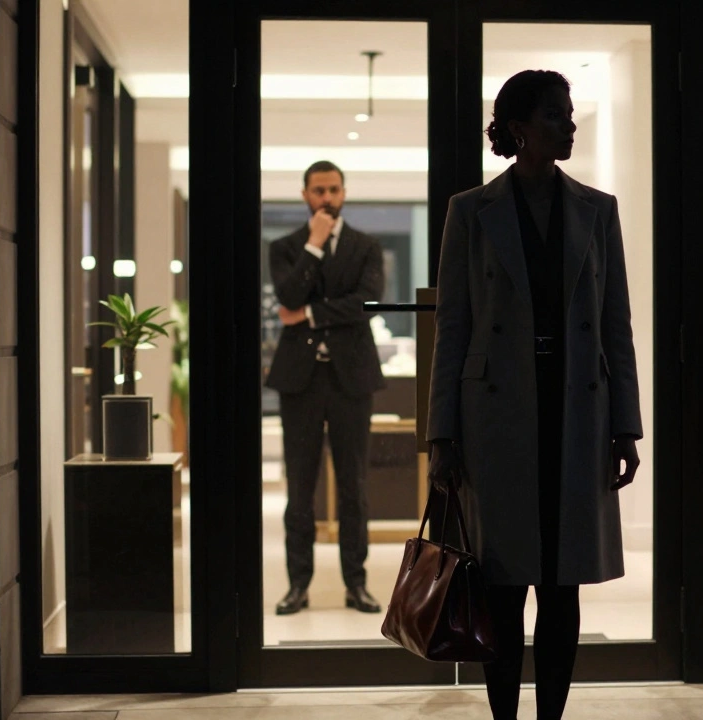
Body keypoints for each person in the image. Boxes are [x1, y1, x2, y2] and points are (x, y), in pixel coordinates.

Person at [426, 71, 642, 720]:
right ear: (519, 129)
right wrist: (441, 435)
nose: (569, 124)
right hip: (495, 418)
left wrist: (626, 425)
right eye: (556, 115)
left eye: (570, 114)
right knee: (502, 586)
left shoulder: (597, 210)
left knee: (563, 584)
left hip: (578, 410)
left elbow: (616, 324)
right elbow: (454, 328)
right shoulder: (472, 210)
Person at [266, 160, 386, 616]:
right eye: (318, 191)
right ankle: (299, 585)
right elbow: (288, 297)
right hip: (300, 382)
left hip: (351, 381)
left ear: (344, 191)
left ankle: (357, 584)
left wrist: (312, 316)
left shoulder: (366, 246)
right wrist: (314, 246)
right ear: (304, 195)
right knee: (300, 489)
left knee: (354, 487)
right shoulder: (286, 247)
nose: (327, 198)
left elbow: (367, 302)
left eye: (334, 189)